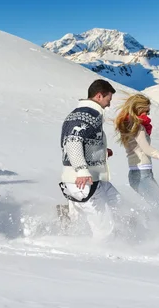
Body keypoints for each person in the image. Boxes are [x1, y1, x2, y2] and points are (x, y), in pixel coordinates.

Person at [58, 79, 120, 240]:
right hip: (83, 180)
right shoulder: (88, 115)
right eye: (108, 99)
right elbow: (72, 142)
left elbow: (82, 141)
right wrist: (82, 171)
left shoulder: (82, 113)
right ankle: (102, 255)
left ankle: (69, 224)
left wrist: (101, 151)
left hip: (88, 179)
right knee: (104, 228)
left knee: (118, 204)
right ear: (99, 96)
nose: (109, 104)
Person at [114, 94, 159, 219]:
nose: (148, 114)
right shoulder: (137, 127)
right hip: (142, 175)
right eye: (147, 111)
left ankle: (157, 228)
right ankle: (157, 230)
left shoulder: (131, 126)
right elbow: (147, 149)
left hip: (139, 174)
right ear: (139, 109)